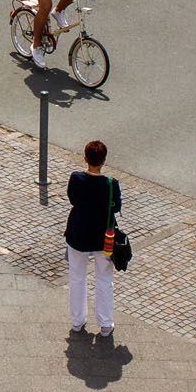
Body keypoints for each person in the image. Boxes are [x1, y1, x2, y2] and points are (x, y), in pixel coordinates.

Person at [66, 140, 121, 337]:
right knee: (104, 279)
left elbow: (72, 199)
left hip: (78, 234)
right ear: (104, 160)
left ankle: (77, 321)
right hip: (103, 238)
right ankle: (105, 323)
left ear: (85, 158)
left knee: (77, 277)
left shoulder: (76, 179)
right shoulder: (111, 184)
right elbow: (116, 208)